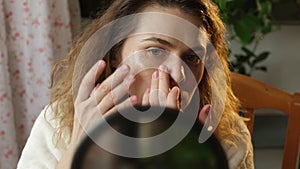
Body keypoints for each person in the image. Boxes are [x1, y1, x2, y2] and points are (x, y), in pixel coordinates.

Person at [17, 0, 254, 169]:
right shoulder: (60, 121)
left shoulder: (227, 135)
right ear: (114, 55)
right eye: (154, 50)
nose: (180, 74)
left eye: (192, 57)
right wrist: (79, 149)